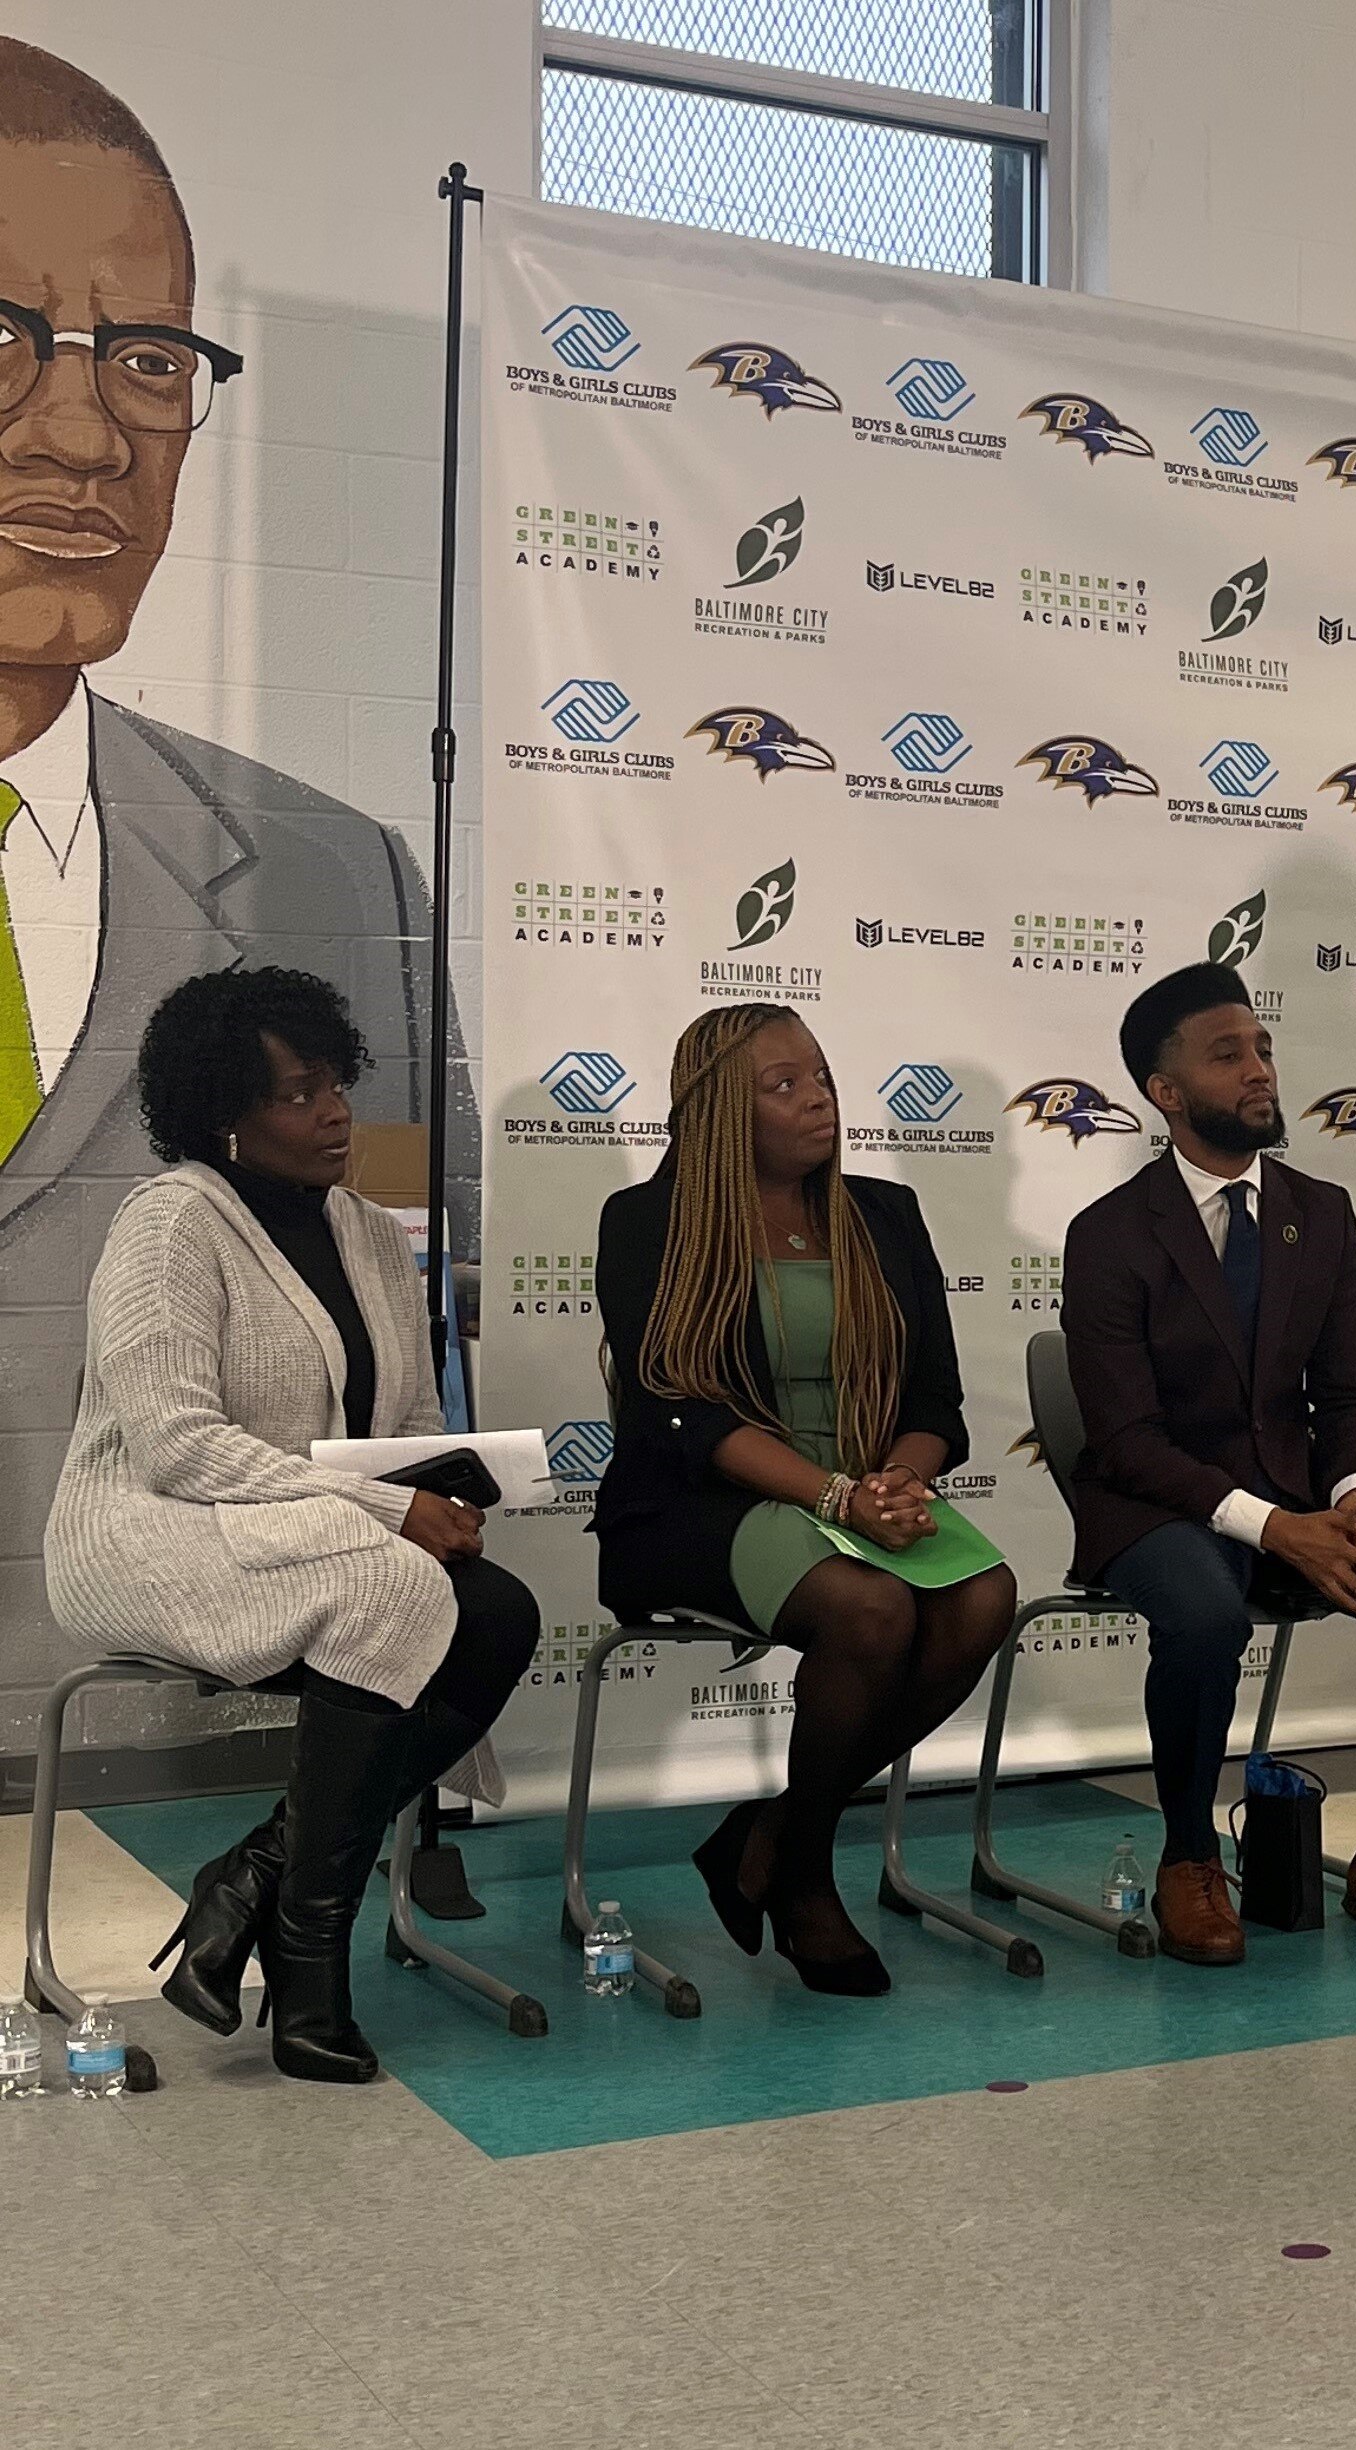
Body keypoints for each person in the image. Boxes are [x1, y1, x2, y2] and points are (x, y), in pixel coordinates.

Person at [2, 43, 469, 1732]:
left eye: (142, 361)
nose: (82, 431)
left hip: (240, 1584)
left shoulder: (336, 871)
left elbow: (412, 1204)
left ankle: (283, 1907)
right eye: (4, 342)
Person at [43, 968, 537, 2084]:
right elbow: (175, 1446)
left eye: (336, 1085)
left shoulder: (366, 1230)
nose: (335, 1113)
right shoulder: (170, 1224)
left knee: (499, 1609)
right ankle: (312, 1972)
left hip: (307, 1532)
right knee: (389, 1588)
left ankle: (256, 1873)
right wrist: (385, 1512)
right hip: (149, 1526)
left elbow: (404, 1416)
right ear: (225, 1111)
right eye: (298, 1094)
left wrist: (440, 1491)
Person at [1061, 963, 1356, 1966]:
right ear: (1165, 1091)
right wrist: (1274, 1528)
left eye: (1261, 1046)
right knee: (1206, 1613)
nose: (1260, 1069)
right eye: (1228, 1054)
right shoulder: (1109, 1236)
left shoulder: (1322, 1208)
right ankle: (1187, 1856)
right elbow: (1126, 1440)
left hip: (1305, 1491)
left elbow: (1348, 1392)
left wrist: (1351, 1502)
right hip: (1155, 1502)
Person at [593, 1004, 1016, 1995]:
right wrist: (835, 1495)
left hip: (862, 1485)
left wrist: (897, 1479)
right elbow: (674, 1412)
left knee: (982, 1597)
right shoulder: (648, 1222)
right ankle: (807, 1881)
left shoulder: (883, 1213)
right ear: (715, 1114)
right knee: (869, 1608)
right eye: (783, 1085)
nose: (817, 1097)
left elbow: (934, 1401)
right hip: (704, 1502)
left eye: (820, 1075)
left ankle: (775, 1830)